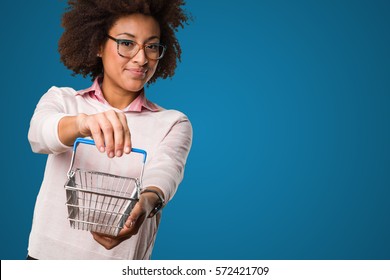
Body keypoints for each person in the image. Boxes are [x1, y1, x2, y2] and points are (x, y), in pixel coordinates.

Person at [27, 0, 192, 260]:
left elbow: (165, 173)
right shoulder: (63, 100)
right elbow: (39, 136)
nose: (141, 58)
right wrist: (83, 123)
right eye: (126, 43)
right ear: (98, 46)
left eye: (151, 46)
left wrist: (147, 202)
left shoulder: (173, 122)